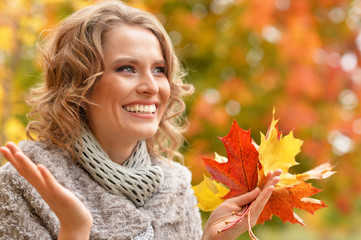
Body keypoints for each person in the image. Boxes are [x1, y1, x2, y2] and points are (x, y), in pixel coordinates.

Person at [0, 1, 281, 239]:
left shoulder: (176, 189)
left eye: (159, 70)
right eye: (127, 68)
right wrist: (74, 231)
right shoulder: (24, 183)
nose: (152, 86)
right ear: (79, 84)